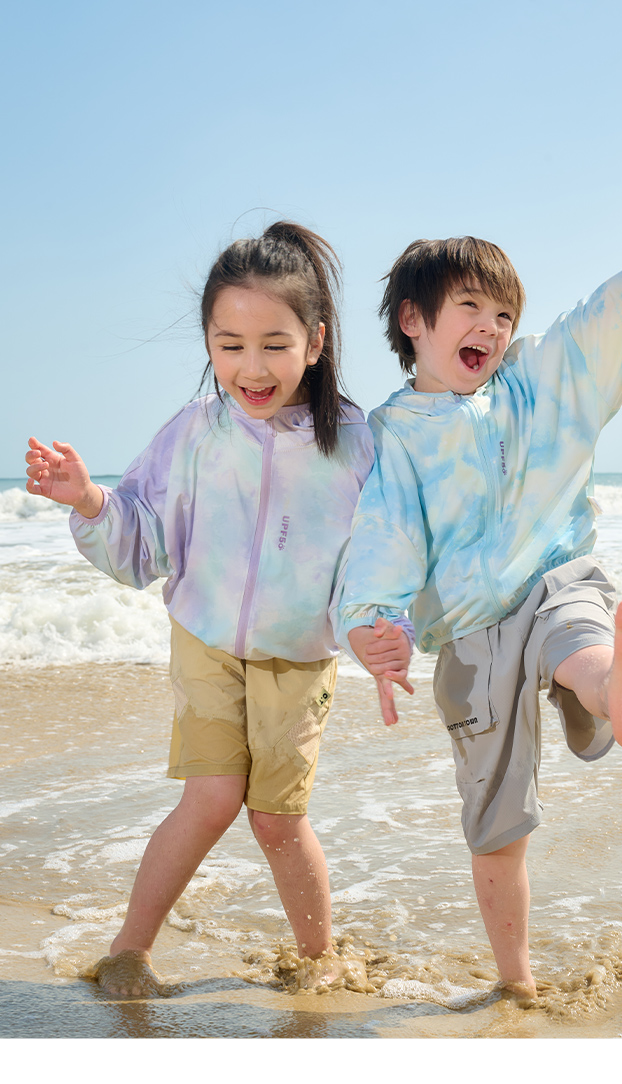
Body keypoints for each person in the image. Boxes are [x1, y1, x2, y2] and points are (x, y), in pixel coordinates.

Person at [336, 159, 622, 998]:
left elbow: (600, 327)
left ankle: (619, 691)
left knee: (581, 637)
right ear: (413, 320)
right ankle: (516, 981)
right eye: (471, 308)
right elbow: (384, 535)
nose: (491, 327)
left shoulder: (531, 386)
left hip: (559, 575)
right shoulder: (396, 437)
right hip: (469, 629)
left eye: (504, 315)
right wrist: (377, 625)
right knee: (498, 825)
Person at [25, 221, 411, 998]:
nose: (251, 367)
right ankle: (128, 952)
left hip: (298, 657)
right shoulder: (195, 432)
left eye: (274, 344)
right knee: (208, 800)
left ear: (316, 341)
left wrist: (382, 629)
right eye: (229, 345)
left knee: (276, 821)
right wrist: (91, 498)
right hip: (204, 640)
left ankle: (317, 961)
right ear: (208, 341)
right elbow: (142, 537)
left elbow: (385, 556)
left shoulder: (355, 444)